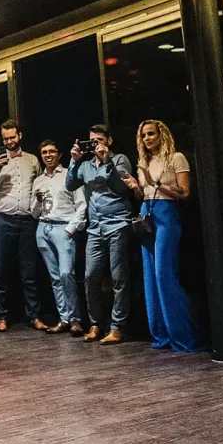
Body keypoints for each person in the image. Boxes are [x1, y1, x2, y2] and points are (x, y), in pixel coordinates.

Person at [129, 120, 202, 352]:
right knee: (149, 276)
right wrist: (136, 186)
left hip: (167, 212)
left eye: (150, 134)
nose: (146, 138)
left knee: (163, 274)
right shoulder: (143, 161)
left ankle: (184, 336)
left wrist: (155, 184)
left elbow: (185, 192)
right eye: (143, 135)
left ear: (162, 135)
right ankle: (160, 334)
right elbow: (144, 193)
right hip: (146, 213)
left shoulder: (176, 158)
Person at [66, 124, 136, 344]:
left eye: (99, 140)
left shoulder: (120, 159)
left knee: (119, 279)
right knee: (90, 277)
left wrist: (107, 162)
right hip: (95, 227)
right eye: (91, 141)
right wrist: (74, 160)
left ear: (109, 141)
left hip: (117, 224)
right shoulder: (85, 165)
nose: (95, 144)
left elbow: (122, 189)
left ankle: (117, 327)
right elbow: (70, 184)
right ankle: (96, 324)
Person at [0, 119, 44, 332]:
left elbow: (38, 187)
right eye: (5, 138)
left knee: (30, 271)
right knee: (1, 270)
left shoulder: (33, 160)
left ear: (20, 136)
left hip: (27, 220)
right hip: (2, 220)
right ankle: (1, 317)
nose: (9, 142)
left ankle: (34, 316)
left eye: (12, 137)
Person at [31, 139, 86, 334]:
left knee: (66, 273)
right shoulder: (39, 180)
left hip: (63, 228)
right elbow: (34, 212)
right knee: (54, 277)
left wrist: (71, 229)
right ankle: (64, 319)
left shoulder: (70, 175)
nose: (48, 155)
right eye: (44, 152)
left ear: (59, 154)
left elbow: (82, 206)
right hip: (43, 227)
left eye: (52, 151)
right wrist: (38, 202)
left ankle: (76, 319)